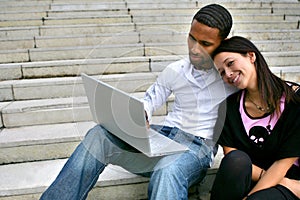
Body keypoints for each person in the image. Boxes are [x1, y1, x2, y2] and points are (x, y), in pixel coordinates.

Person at [40, 4, 236, 200]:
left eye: (205, 43)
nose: (194, 48)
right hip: (164, 138)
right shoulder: (176, 69)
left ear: (224, 42)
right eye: (191, 38)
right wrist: (140, 115)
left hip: (196, 148)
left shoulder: (232, 77)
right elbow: (150, 100)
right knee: (98, 135)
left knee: (167, 170)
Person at [210, 36, 300, 200]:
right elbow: (233, 158)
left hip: (290, 184)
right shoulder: (229, 108)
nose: (228, 74)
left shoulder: (295, 100)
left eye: (230, 63)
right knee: (235, 160)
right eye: (222, 72)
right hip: (264, 180)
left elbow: (284, 163)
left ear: (251, 56)